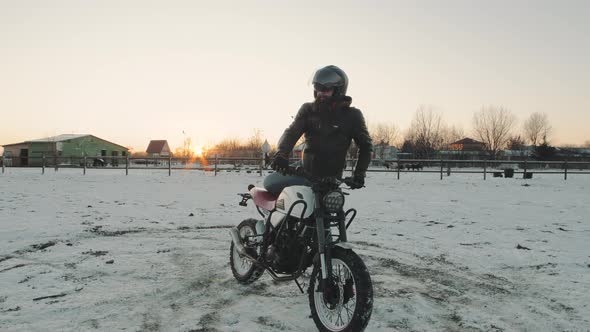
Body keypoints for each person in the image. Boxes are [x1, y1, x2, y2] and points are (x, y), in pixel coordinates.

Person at [264, 65, 373, 195]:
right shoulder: (308, 110)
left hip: (332, 180)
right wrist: (282, 154)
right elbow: (292, 132)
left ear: (338, 90)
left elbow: (366, 146)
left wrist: (360, 174)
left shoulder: (352, 116)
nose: (320, 93)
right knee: (269, 183)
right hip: (305, 174)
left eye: (325, 89)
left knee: (332, 210)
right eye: (317, 88)